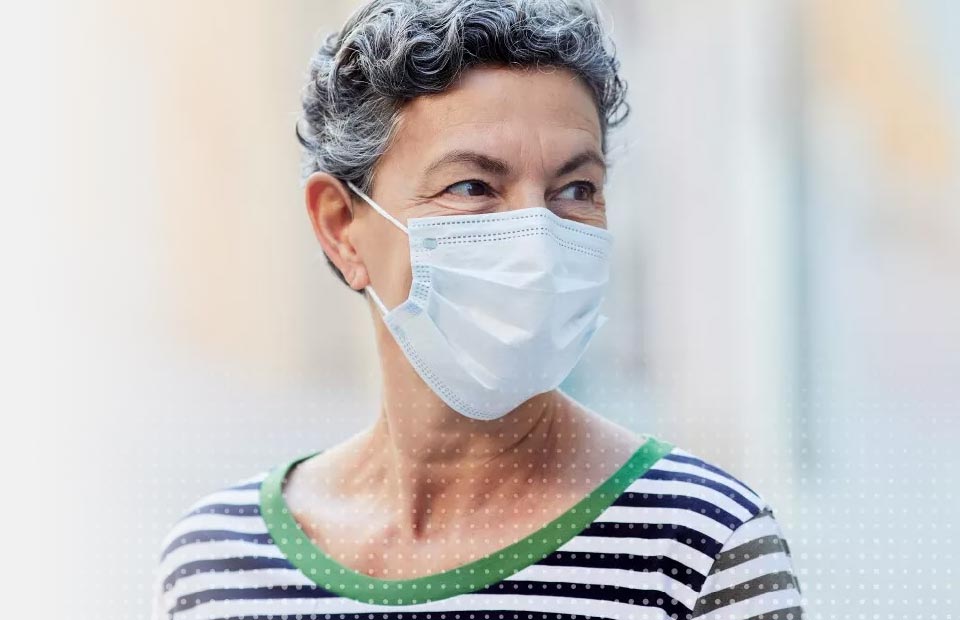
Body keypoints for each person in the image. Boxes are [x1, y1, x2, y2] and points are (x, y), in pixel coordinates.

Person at [150, 1, 805, 618]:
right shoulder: (220, 562)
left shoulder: (701, 544)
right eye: (473, 186)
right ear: (341, 227)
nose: (537, 243)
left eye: (576, 189)